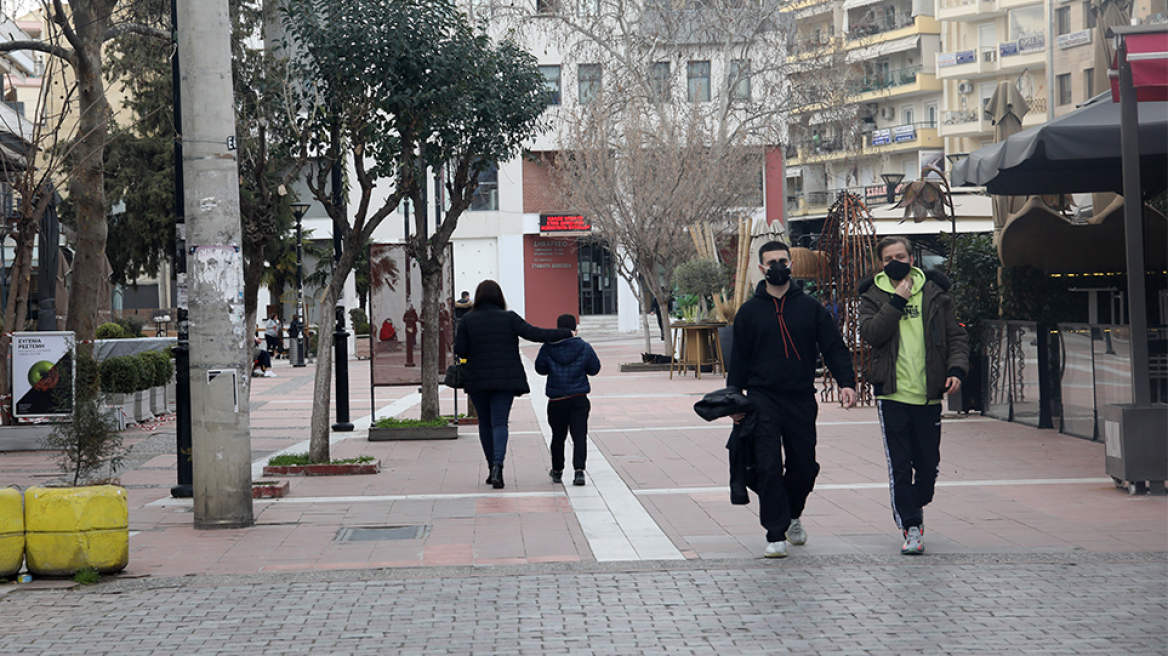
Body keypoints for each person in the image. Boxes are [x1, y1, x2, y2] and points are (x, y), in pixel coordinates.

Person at [727, 240, 858, 559]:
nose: (778, 267)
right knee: (768, 466)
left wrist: (847, 383)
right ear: (762, 268)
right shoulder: (748, 312)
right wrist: (733, 400)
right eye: (771, 262)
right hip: (762, 399)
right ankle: (775, 533)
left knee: (804, 467)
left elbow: (834, 347)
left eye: (782, 261)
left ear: (792, 265)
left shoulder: (811, 308)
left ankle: (792, 514)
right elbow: (738, 360)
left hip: (800, 398)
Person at [858, 236, 968, 556]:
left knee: (928, 465)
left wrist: (956, 369)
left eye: (901, 256)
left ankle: (916, 500)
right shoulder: (873, 294)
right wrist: (896, 301)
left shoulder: (935, 292)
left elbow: (956, 336)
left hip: (928, 395)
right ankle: (911, 526)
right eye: (888, 258)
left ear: (911, 258)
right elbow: (873, 334)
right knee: (900, 466)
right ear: (880, 263)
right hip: (892, 395)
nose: (895, 262)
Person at [454, 280, 573, 489]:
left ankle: (492, 467)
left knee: (485, 424)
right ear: (499, 297)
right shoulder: (509, 318)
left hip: (477, 379)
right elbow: (536, 334)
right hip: (505, 379)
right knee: (500, 423)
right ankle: (498, 465)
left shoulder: (467, 320)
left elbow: (460, 350)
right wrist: (565, 332)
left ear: (478, 297)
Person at [535, 314, 601, 486]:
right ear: (575, 329)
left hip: (556, 399)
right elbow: (594, 369)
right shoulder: (584, 347)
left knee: (558, 436)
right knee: (579, 435)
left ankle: (557, 471)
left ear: (558, 329)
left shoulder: (548, 347)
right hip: (579, 398)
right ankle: (579, 471)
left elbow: (540, 368)